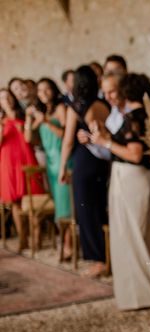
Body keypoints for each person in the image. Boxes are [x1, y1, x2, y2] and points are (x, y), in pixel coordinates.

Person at [89, 73, 150, 310]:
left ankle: (140, 296)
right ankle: (146, 291)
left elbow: (135, 154)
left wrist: (105, 143)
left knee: (131, 238)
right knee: (144, 235)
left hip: (131, 178)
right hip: (146, 179)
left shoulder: (133, 117)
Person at [59, 65, 111, 277]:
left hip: (84, 162)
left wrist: (63, 167)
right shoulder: (104, 104)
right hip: (103, 161)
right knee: (101, 208)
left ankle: (98, 260)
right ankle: (108, 255)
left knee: (86, 212)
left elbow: (68, 141)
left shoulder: (76, 107)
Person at [24, 78, 73, 257]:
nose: (43, 93)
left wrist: (45, 121)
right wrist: (29, 118)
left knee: (65, 204)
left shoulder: (61, 109)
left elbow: (65, 134)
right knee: (59, 202)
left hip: (63, 159)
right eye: (40, 90)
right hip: (50, 163)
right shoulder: (42, 112)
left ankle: (68, 244)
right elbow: (29, 138)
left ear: (53, 90)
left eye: (47, 89)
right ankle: (65, 241)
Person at [0, 88, 44, 250]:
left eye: (8, 97)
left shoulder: (24, 114)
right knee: (15, 203)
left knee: (33, 199)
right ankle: (22, 239)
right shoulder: (1, 120)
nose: (7, 100)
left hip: (26, 158)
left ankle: (37, 238)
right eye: (3, 98)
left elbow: (31, 139)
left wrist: (27, 122)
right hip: (7, 162)